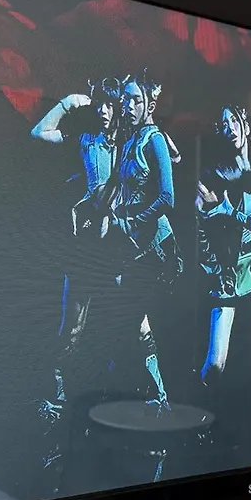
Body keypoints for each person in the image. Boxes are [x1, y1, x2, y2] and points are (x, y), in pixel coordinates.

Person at [29, 77, 123, 455]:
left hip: (120, 247)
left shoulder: (131, 144)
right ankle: (58, 404)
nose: (104, 111)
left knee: (118, 327)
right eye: (99, 104)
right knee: (73, 327)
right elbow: (39, 132)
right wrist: (68, 101)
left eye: (110, 104)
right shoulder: (85, 140)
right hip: (85, 248)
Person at [107, 69, 181, 415]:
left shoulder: (154, 140)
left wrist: (132, 220)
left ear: (149, 103)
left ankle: (160, 397)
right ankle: (157, 397)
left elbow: (167, 197)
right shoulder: (129, 142)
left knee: (133, 318)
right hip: (132, 247)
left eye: (135, 99)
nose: (129, 105)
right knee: (138, 325)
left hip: (156, 248)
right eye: (126, 99)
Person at [197, 105, 251, 385]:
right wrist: (215, 268)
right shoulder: (215, 174)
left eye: (234, 121)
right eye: (224, 125)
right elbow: (201, 226)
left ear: (246, 125)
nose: (230, 129)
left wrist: (229, 212)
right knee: (215, 364)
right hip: (227, 269)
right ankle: (198, 404)